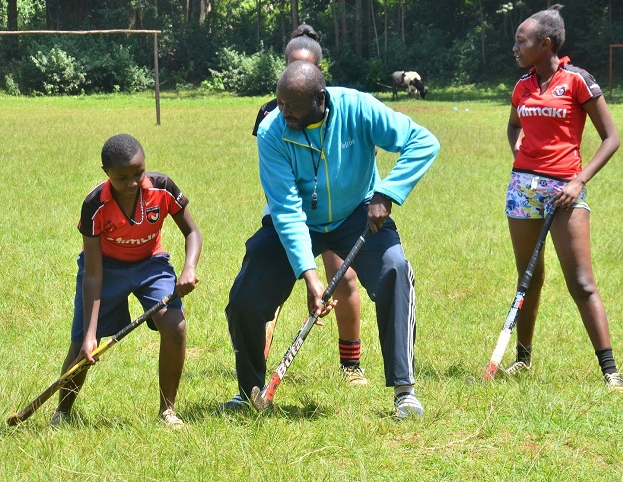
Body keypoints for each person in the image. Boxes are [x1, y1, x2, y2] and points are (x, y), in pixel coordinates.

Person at [223, 60, 440, 419]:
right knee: (246, 294)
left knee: (395, 270)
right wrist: (310, 275)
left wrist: (387, 193)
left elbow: (423, 142)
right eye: (280, 103)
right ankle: (249, 392)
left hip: (357, 212)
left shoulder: (358, 108)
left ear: (319, 99)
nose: (284, 113)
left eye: (292, 106)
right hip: (298, 222)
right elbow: (287, 209)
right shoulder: (272, 131)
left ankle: (405, 392)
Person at [504, 4, 623, 391]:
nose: (516, 47)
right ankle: (522, 360)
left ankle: (610, 372)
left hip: (565, 191)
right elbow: (513, 127)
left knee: (581, 281)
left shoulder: (577, 81)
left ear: (546, 43)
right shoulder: (522, 85)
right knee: (529, 278)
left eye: (522, 41)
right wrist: (521, 158)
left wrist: (578, 181)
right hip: (523, 189)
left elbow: (612, 138)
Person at [51, 134, 203, 427]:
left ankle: (167, 412)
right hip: (106, 269)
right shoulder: (94, 204)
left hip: (151, 265)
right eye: (122, 178)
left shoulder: (163, 188)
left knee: (176, 326)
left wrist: (189, 268)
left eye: (138, 173)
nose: (133, 183)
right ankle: (63, 412)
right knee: (82, 343)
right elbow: (93, 274)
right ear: (106, 174)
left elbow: (192, 232)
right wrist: (90, 335)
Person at [252, 24, 368, 385]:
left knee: (344, 278)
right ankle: (260, 364)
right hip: (287, 212)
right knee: (272, 289)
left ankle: (351, 366)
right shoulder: (272, 114)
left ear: (319, 74)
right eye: (290, 65)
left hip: (332, 213)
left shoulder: (335, 108)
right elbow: (277, 176)